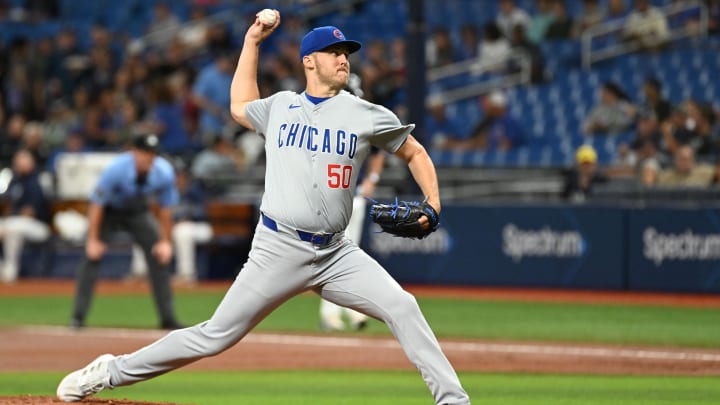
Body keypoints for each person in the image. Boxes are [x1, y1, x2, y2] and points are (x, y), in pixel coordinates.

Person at [57, 13, 470, 405]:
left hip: (336, 253)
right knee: (214, 337)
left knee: (403, 306)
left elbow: (414, 152)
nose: (343, 58)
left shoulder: (366, 114)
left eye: (347, 53)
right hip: (279, 246)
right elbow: (240, 105)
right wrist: (252, 40)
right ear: (309, 61)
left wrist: (433, 203)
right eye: (334, 52)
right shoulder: (281, 106)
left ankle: (453, 400)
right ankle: (110, 371)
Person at [68, 133, 183, 330]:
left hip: (138, 211)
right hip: (110, 211)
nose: (150, 158)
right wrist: (93, 239)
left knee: (159, 257)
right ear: (135, 152)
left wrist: (165, 241)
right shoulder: (117, 168)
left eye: (153, 153)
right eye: (145, 153)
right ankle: (78, 317)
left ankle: (168, 318)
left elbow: (166, 209)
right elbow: (97, 204)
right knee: (92, 259)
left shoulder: (163, 171)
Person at [319, 149, 385, 331]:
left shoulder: (363, 121)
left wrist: (372, 179)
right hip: (332, 196)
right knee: (334, 252)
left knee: (350, 251)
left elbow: (378, 152)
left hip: (355, 195)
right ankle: (333, 312)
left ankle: (350, 309)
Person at [0, 150, 51, 283]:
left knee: (10, 229)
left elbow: (29, 213)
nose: (20, 163)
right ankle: (8, 272)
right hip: (17, 226)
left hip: (39, 227)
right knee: (13, 235)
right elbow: (9, 207)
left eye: (23, 160)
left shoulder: (35, 182)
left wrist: (7, 222)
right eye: (18, 160)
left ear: (32, 163)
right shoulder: (15, 181)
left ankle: (8, 272)